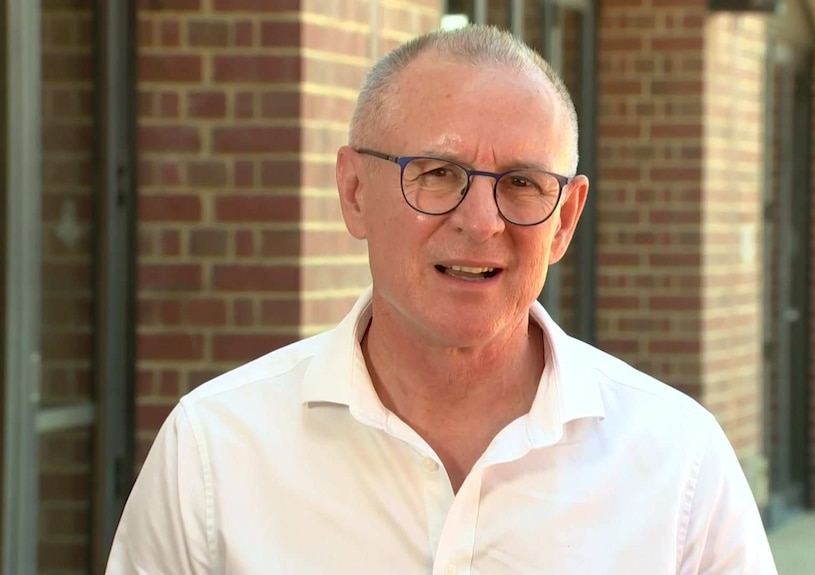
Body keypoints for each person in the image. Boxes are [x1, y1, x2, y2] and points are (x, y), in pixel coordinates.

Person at [106, 24, 777, 574]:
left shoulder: (679, 463)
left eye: (521, 182)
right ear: (354, 192)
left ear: (565, 219)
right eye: (437, 173)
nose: (482, 220)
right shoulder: (215, 451)